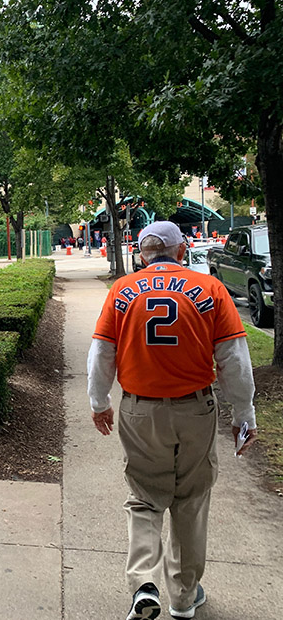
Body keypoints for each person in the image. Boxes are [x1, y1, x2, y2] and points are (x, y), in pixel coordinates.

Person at [86, 220, 257, 620]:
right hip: (195, 408)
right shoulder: (211, 290)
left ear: (142, 254)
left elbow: (100, 354)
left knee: (145, 497)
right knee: (191, 500)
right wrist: (243, 414)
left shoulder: (122, 290)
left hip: (139, 410)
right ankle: (183, 596)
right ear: (182, 251)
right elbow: (234, 359)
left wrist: (99, 403)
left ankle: (144, 583)